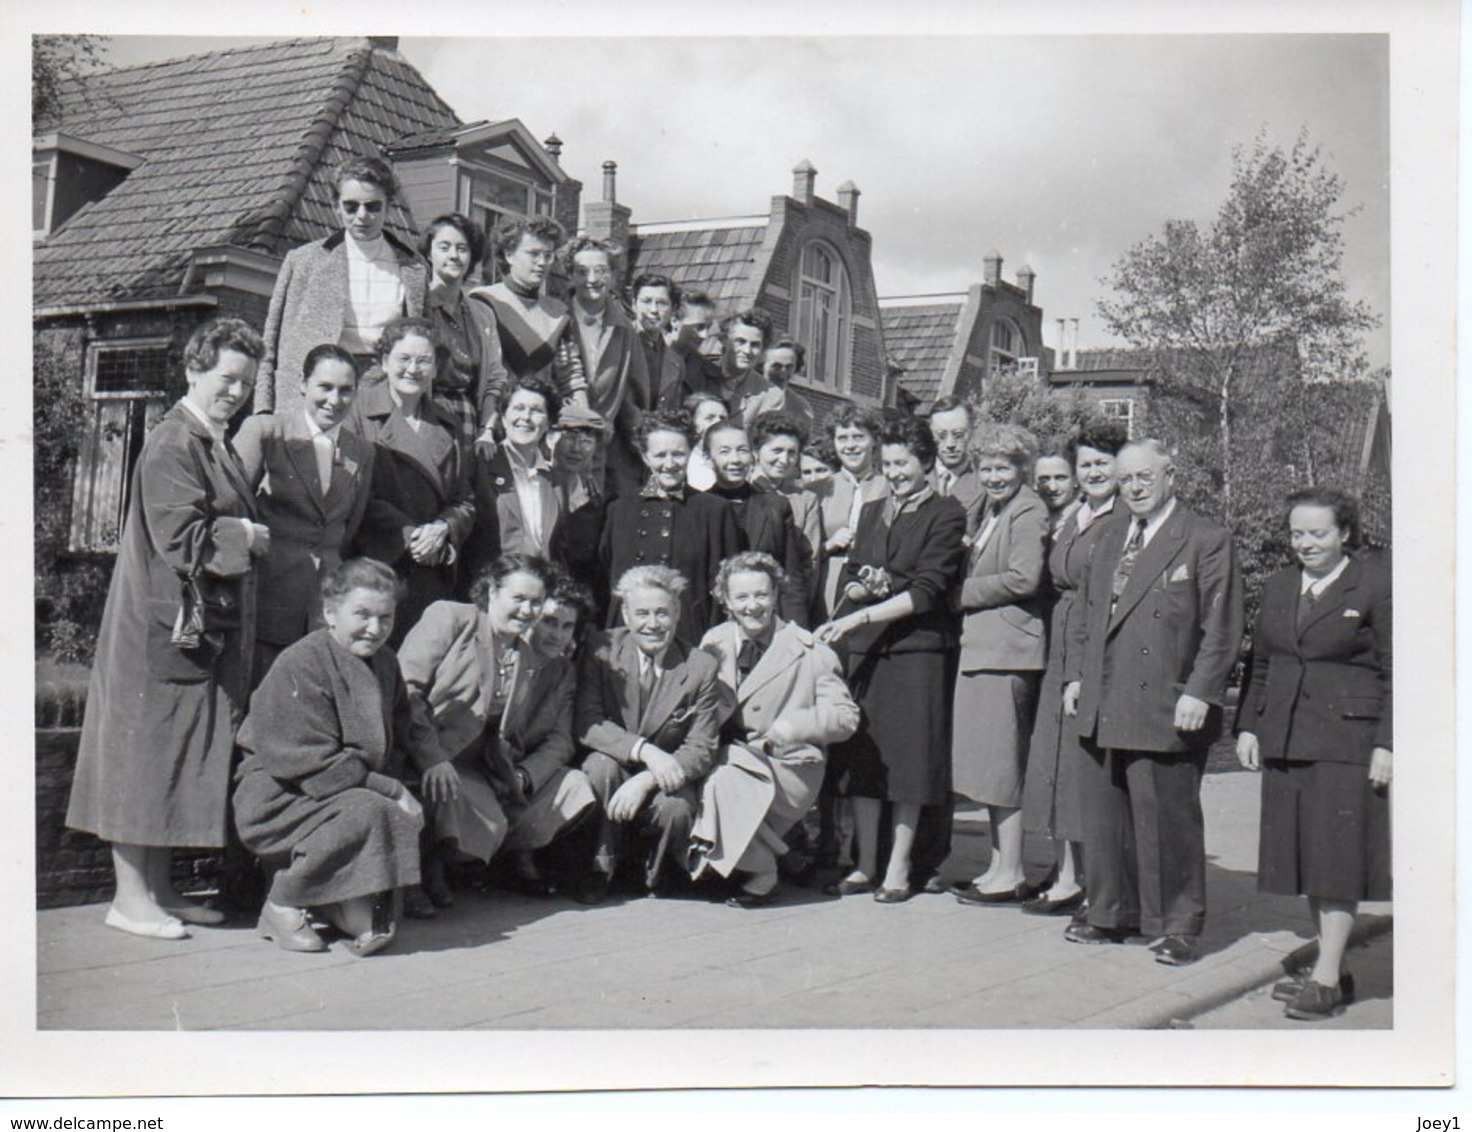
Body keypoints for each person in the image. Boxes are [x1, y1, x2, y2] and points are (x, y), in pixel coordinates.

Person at [66, 318, 268, 940]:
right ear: (192, 370)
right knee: (143, 760)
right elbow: (183, 539)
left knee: (171, 759)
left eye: (245, 383)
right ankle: (129, 900)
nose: (234, 391)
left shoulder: (209, 439)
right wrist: (247, 536)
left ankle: (160, 890)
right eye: (225, 378)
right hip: (157, 631)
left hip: (186, 631)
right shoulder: (173, 442)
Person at [1063, 439, 1244, 966]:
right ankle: (1109, 912)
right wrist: (1075, 676)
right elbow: (1086, 613)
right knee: (1105, 816)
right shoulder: (1110, 537)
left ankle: (1178, 925)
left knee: (1166, 818)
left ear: (1171, 475)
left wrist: (1201, 691)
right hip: (1102, 693)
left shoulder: (1206, 538)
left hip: (1167, 699)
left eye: (1145, 477)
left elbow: (1222, 627)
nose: (1135, 488)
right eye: (1125, 480)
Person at [1236, 488, 1391, 1020]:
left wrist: (1388, 744)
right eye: (1297, 533)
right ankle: (1335, 966)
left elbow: (1400, 673)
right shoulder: (1280, 585)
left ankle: (1326, 977)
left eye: (1318, 533)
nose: (1305, 543)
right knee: (1306, 857)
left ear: (1344, 532)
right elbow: (1261, 663)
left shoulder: (1375, 583)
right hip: (1286, 737)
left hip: (1347, 741)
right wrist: (1249, 727)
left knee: (1337, 861)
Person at [233, 558, 433, 956]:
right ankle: (283, 901)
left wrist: (403, 786)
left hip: (345, 792)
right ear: (329, 613)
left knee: (379, 909)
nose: (375, 629)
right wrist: (391, 790)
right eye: (362, 615)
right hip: (280, 794)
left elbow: (398, 734)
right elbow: (312, 765)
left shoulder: (385, 662)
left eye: (386, 618)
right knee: (375, 811)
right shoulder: (301, 662)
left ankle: (335, 899)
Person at [816, 415, 967, 903]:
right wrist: (860, 585)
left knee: (908, 764)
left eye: (903, 463)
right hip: (869, 650)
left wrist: (862, 614)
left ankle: (899, 867)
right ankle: (864, 864)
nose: (895, 472)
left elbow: (926, 591)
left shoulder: (947, 513)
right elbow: (859, 570)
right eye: (888, 464)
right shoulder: (873, 509)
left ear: (926, 462)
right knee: (863, 758)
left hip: (916, 651)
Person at [397, 554, 595, 900]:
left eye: (535, 602)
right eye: (518, 599)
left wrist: (518, 774)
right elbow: (405, 690)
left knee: (493, 823)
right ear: (491, 591)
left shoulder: (524, 653)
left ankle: (441, 861)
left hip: (477, 764)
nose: (526, 611)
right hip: (420, 750)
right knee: (455, 799)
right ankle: (418, 874)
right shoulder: (451, 618)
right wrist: (431, 758)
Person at [692, 553, 859, 906]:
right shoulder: (713, 642)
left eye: (761, 595)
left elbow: (845, 717)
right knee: (700, 779)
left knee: (720, 780)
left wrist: (794, 725)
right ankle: (780, 854)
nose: (753, 606)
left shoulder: (810, 649)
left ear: (776, 594)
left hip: (786, 767)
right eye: (742, 597)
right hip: (728, 761)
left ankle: (763, 871)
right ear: (725, 599)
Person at [1019, 422, 1129, 917]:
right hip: (1059, 645)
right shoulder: (1073, 517)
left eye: (1103, 463)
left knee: (1083, 764)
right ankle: (1065, 872)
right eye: (1085, 463)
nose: (1093, 472)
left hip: (1094, 647)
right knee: (1056, 761)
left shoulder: (1123, 520)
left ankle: (1085, 878)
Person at [574, 565, 726, 903]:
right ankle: (601, 866)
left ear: (676, 613)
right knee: (599, 768)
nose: (652, 624)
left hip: (665, 777)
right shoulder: (601, 649)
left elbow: (701, 747)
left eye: (662, 613)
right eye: (642, 613)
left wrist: (647, 779)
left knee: (676, 809)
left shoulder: (700, 665)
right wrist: (644, 751)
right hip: (617, 762)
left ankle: (655, 875)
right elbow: (588, 721)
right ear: (626, 615)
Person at [947, 424, 1050, 905]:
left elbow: (1025, 577)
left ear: (1021, 468)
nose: (993, 476)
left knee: (1003, 765)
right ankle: (997, 865)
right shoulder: (993, 508)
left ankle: (1011, 871)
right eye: (985, 467)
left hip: (1007, 651)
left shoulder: (1027, 510)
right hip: (985, 648)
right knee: (989, 767)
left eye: (1002, 467)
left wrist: (961, 594)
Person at [235, 343, 375, 679]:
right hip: (268, 595)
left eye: (345, 391)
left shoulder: (362, 451)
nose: (334, 400)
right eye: (324, 387)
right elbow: (233, 505)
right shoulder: (267, 432)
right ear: (302, 385)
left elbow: (348, 527)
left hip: (325, 605)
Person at [256, 157, 426, 416]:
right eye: (350, 206)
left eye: (372, 206)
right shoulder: (303, 261)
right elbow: (270, 343)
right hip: (314, 396)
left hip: (383, 394)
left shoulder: (414, 268)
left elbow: (422, 345)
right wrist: (263, 409)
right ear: (336, 206)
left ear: (388, 207)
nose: (362, 216)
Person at [346, 317, 475, 645]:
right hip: (378, 565)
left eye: (423, 361)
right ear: (384, 361)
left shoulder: (448, 425)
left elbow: (464, 500)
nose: (413, 369)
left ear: (435, 368)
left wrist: (444, 529)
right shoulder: (358, 415)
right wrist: (411, 536)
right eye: (404, 359)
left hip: (432, 572)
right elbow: (355, 492)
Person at [599, 409, 742, 646]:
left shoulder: (714, 510)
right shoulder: (619, 508)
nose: (669, 464)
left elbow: (725, 587)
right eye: (660, 455)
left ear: (690, 454)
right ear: (644, 456)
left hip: (689, 635)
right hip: (626, 634)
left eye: (678, 454)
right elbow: (603, 578)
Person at [562, 237, 651, 498]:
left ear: (612, 275)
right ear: (570, 275)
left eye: (601, 271)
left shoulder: (624, 329)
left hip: (601, 447)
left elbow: (635, 394)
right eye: (582, 271)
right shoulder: (555, 316)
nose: (592, 279)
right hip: (558, 442)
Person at [702, 418, 812, 626]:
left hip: (765, 623)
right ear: (708, 458)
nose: (735, 460)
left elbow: (791, 579)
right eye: (724, 452)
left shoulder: (775, 507)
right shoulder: (698, 508)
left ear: (753, 455)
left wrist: (797, 631)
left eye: (742, 450)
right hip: (712, 626)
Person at [466, 217, 587, 404]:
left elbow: (571, 377)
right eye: (533, 254)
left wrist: (583, 416)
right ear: (509, 255)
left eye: (548, 255)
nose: (542, 263)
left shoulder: (558, 313)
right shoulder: (482, 301)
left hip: (539, 418)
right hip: (489, 413)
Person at [420, 213, 509, 460]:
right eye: (444, 247)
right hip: (425, 414)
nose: (454, 255)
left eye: (462, 248)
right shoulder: (416, 305)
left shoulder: (482, 314)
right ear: (429, 253)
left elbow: (494, 377)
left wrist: (487, 430)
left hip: (469, 420)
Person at [814, 404, 889, 623]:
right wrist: (829, 545)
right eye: (842, 438)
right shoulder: (818, 489)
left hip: (874, 584)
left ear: (874, 440)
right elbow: (802, 551)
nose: (850, 446)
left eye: (858, 437)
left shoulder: (889, 486)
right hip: (827, 583)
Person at [749, 410, 824, 620]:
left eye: (792, 452)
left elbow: (810, 561)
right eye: (777, 450)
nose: (784, 459)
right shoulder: (742, 493)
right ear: (756, 451)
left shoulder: (805, 500)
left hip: (786, 604)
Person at [482, 374, 563, 562]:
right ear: (503, 417)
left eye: (536, 411)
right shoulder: (483, 467)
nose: (525, 418)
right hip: (493, 582)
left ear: (548, 423)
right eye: (518, 408)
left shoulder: (555, 479)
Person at [547, 404, 611, 607]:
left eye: (586, 441)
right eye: (569, 437)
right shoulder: (535, 487)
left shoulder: (595, 503)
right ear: (550, 438)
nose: (576, 448)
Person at [927, 395, 987, 536]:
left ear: (972, 431)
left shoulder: (984, 482)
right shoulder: (916, 476)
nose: (950, 444)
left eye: (958, 435)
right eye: (941, 436)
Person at [740, 338, 815, 434]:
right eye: (776, 366)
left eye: (789, 367)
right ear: (761, 364)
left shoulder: (801, 408)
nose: (783, 372)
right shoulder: (742, 395)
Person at [683, 392, 727, 491]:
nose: (718, 422)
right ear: (693, 424)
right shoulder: (685, 462)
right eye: (710, 418)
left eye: (722, 418)